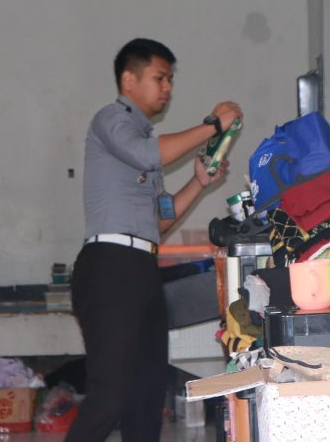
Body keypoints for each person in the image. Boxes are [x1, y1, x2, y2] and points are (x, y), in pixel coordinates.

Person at [66, 38, 243, 442]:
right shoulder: (111, 120)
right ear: (129, 80)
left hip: (141, 267)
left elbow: (160, 223)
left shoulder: (146, 143)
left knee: (146, 395)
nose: (168, 88)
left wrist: (199, 183)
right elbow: (150, 155)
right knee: (110, 395)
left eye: (170, 80)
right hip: (109, 265)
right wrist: (212, 126)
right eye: (159, 78)